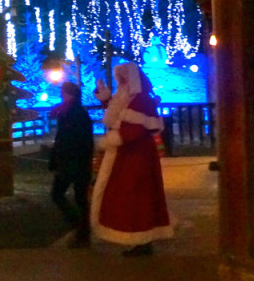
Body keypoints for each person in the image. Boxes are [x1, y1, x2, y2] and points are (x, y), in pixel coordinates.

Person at [91, 62, 174, 255]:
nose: (120, 82)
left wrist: (111, 140)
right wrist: (105, 99)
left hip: (136, 156)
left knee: (137, 197)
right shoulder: (130, 97)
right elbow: (118, 114)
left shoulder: (140, 100)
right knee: (132, 197)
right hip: (128, 155)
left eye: (123, 78)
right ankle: (139, 239)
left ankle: (142, 239)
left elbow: (135, 130)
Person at [48, 81, 95, 247]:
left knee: (58, 194)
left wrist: (58, 158)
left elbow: (65, 139)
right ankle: (83, 231)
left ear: (70, 95)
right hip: (78, 162)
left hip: (71, 162)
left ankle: (78, 225)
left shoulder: (70, 113)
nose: (62, 95)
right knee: (80, 198)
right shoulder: (73, 112)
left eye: (64, 92)